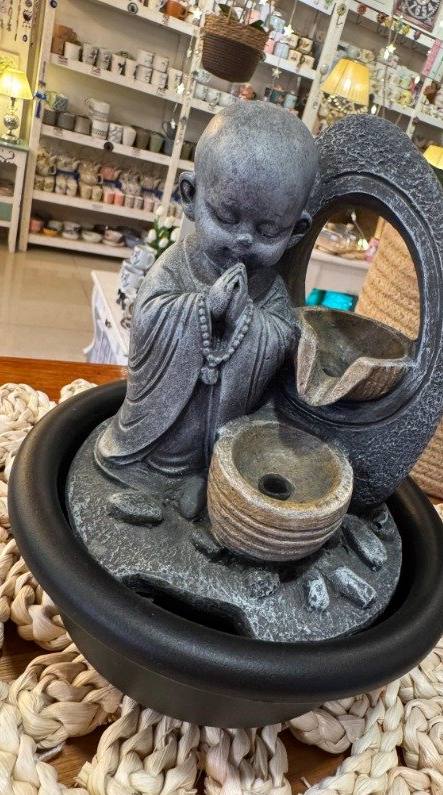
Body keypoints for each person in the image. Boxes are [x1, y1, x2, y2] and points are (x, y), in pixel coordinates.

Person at [96, 101, 318, 518]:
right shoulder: (177, 263)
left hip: (218, 428)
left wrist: (247, 323)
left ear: (296, 231)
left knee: (232, 461)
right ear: (190, 195)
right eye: (226, 217)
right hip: (157, 430)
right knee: (134, 462)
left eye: (268, 230)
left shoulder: (270, 287)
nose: (244, 240)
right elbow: (148, 316)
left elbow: (281, 338)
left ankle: (205, 476)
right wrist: (203, 306)